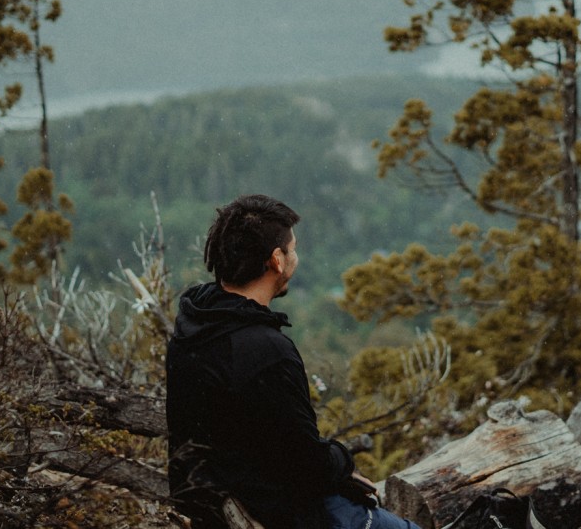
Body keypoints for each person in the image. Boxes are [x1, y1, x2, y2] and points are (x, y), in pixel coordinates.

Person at [167, 195, 419, 529]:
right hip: (276, 513)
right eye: (293, 249)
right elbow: (305, 467)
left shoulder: (193, 326)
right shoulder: (267, 351)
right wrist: (343, 461)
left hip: (210, 508)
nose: (295, 257)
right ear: (276, 260)